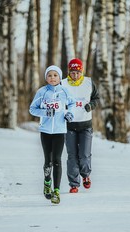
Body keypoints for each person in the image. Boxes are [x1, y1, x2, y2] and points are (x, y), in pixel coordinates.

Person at [29, 65, 76, 204]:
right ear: (46, 78)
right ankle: (47, 181)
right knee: (48, 161)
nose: (52, 78)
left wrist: (69, 114)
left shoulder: (65, 91)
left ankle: (56, 191)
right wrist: (45, 112)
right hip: (45, 131)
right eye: (49, 75)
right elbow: (32, 109)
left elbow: (72, 104)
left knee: (57, 160)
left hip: (60, 131)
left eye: (55, 75)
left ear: (60, 77)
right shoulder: (42, 92)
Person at [61, 58, 100, 193]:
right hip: (69, 126)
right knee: (72, 156)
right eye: (72, 72)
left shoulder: (89, 82)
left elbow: (96, 98)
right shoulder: (63, 84)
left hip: (85, 125)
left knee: (84, 154)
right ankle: (73, 183)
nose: (75, 75)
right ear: (69, 72)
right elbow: (58, 101)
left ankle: (86, 175)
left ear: (81, 71)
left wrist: (91, 105)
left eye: (78, 72)